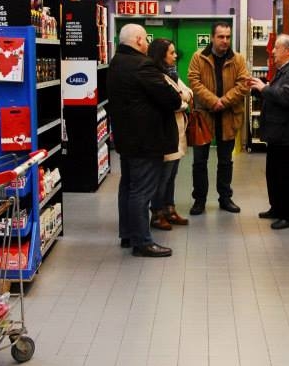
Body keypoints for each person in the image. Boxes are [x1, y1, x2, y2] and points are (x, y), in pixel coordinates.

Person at [106, 23, 182, 257]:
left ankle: (128, 234)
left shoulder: (116, 63)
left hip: (126, 138)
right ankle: (142, 242)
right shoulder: (142, 65)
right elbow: (172, 98)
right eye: (145, 40)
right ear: (139, 40)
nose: (148, 44)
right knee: (142, 191)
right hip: (146, 140)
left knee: (127, 187)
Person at [187, 22, 251, 215]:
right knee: (199, 161)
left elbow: (244, 84)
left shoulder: (238, 59)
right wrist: (213, 101)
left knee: (225, 162)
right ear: (212, 37)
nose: (225, 41)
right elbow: (194, 81)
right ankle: (199, 200)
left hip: (229, 117)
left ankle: (225, 198)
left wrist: (224, 101)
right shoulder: (198, 57)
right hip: (204, 117)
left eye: (228, 37)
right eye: (221, 37)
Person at [248, 34, 289, 229]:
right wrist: (257, 89)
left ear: (288, 51)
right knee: (274, 174)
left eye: (276, 48)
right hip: (278, 134)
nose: (272, 51)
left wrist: (265, 89)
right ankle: (276, 208)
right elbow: (277, 94)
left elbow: (287, 96)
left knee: (287, 177)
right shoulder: (284, 70)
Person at [147, 38, 194, 230]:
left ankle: (169, 209)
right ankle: (157, 214)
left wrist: (182, 99)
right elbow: (173, 101)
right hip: (165, 132)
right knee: (163, 177)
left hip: (178, 131)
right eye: (172, 53)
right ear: (161, 55)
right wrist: (182, 103)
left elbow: (188, 92)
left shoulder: (172, 74)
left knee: (172, 174)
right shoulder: (156, 76)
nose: (175, 56)